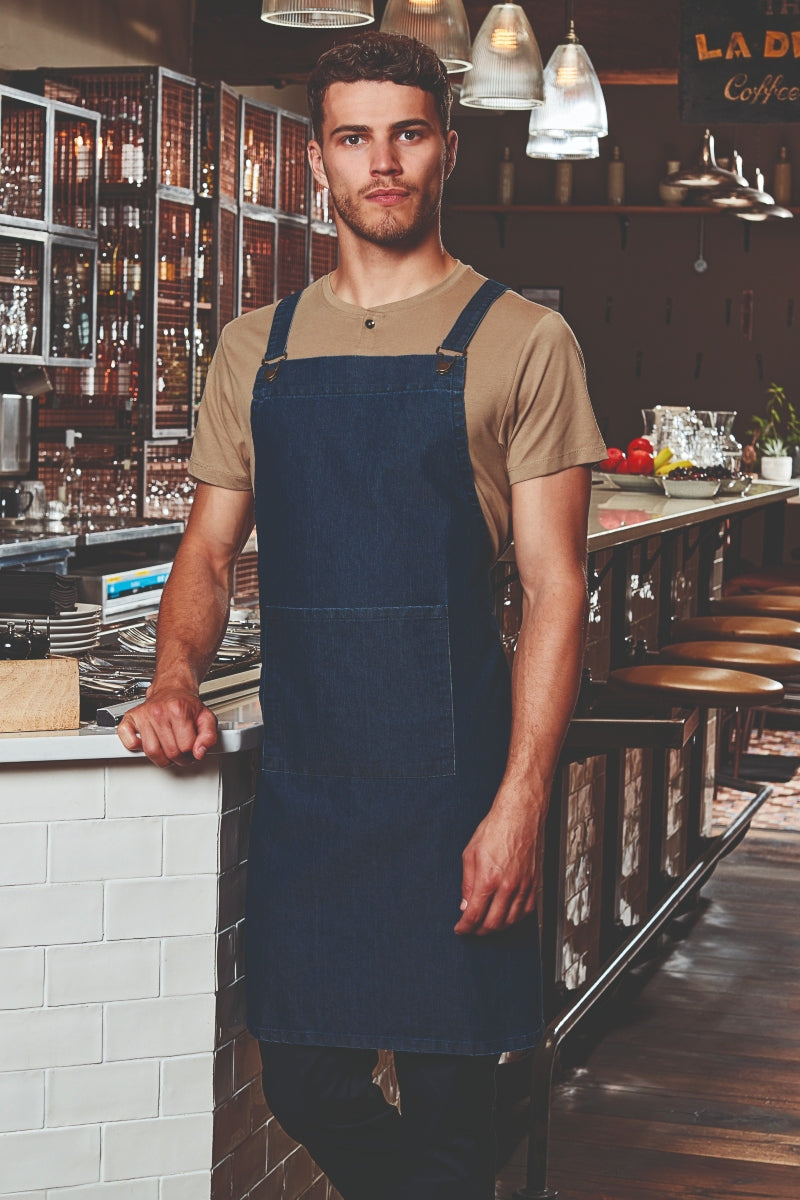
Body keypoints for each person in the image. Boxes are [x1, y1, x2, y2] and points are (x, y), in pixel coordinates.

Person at [118, 31, 606, 1200]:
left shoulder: (522, 340)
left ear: (446, 150)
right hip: (314, 787)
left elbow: (555, 588)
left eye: (406, 134)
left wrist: (519, 804)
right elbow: (207, 552)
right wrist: (174, 677)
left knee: (453, 1112)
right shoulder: (256, 348)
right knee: (303, 1081)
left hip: (454, 783)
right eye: (352, 138)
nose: (380, 163)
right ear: (317, 161)